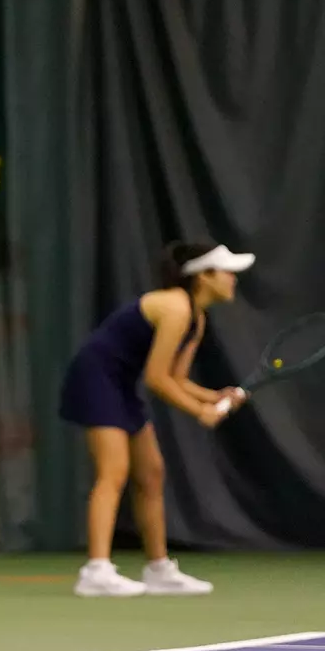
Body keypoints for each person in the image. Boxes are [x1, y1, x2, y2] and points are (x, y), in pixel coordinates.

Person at [58, 241, 255, 597]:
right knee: (113, 471)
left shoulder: (195, 319)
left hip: (120, 382)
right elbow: (157, 378)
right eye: (227, 272)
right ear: (203, 276)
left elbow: (176, 378)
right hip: (96, 377)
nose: (233, 279)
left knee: (151, 473)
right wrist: (201, 412)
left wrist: (215, 396)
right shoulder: (176, 309)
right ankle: (96, 571)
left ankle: (158, 569)